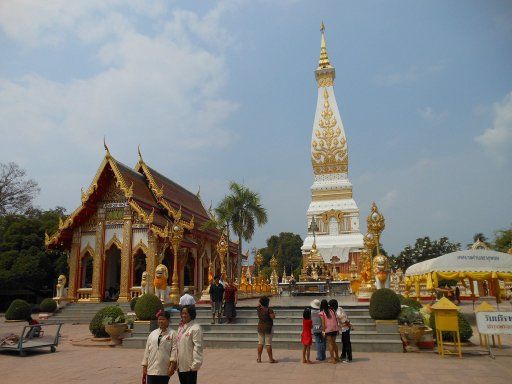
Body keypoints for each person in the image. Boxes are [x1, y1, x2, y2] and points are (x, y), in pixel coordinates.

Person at [142, 310, 177, 384]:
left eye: (163, 319)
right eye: (159, 319)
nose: (161, 321)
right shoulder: (152, 333)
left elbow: (174, 350)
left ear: (168, 320)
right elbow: (147, 351)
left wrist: (172, 365)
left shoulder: (173, 334)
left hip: (164, 369)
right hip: (151, 368)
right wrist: (144, 365)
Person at [173, 305, 203, 384]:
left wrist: (195, 364)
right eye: (182, 313)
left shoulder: (195, 328)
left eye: (186, 313)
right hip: (180, 365)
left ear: (191, 314)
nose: (183, 315)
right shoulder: (181, 327)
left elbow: (198, 347)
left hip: (190, 366)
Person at [256, 296, 277, 363]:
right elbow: (272, 317)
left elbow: (258, 304)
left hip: (260, 327)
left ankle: (259, 358)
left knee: (260, 343)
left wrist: (261, 303)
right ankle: (271, 359)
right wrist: (274, 315)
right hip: (268, 327)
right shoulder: (269, 310)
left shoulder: (259, 309)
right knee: (268, 344)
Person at [319, 299, 339, 364]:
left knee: (330, 344)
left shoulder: (322, 312)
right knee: (334, 343)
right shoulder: (332, 310)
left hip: (328, 329)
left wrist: (323, 331)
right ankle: (337, 357)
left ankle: (332, 359)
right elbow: (336, 319)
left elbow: (323, 323)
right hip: (335, 328)